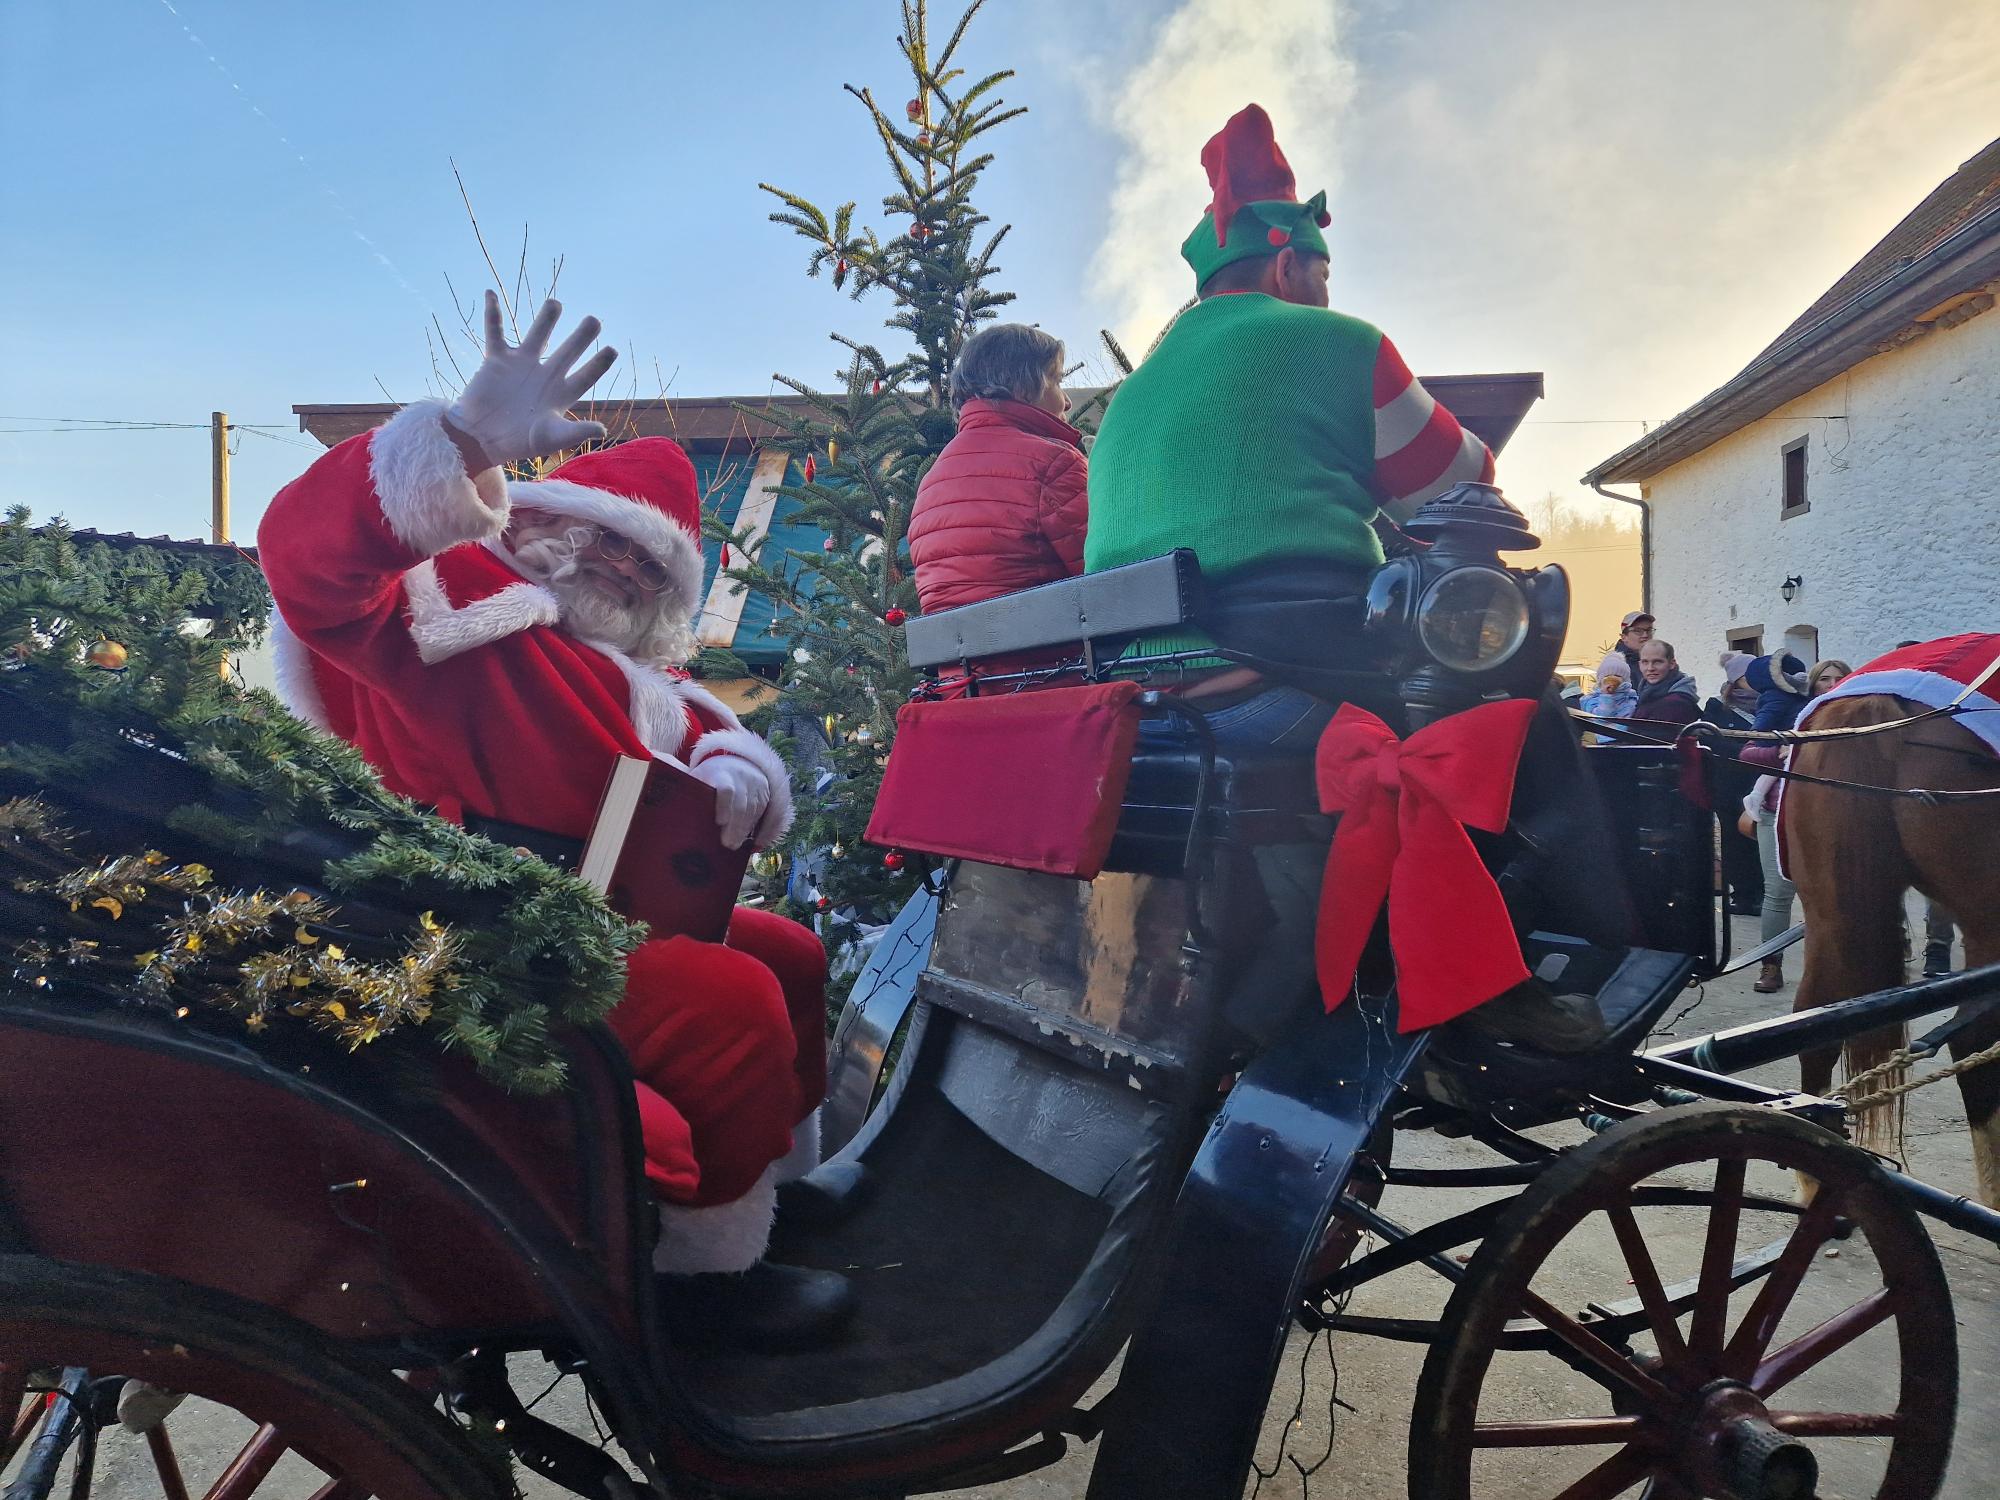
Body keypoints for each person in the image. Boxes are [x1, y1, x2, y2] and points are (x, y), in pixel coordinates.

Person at [259, 295, 850, 1349]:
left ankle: (759, 1186)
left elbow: (683, 728)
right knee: (729, 998)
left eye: (649, 569)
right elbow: (315, 573)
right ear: (535, 523)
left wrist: (727, 755)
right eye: (609, 543)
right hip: (483, 936)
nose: (623, 572)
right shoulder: (458, 605)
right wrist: (458, 442)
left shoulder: (616, 672)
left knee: (790, 952)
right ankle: (704, 1281)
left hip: (592, 917)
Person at [908, 322, 1088, 613]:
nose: (1066, 402)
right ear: (1022, 386)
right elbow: (1108, 575)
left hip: (960, 658)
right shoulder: (1053, 463)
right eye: (1056, 380)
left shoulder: (930, 484)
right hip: (1057, 656)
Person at [1626, 639, 1700, 725]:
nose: (1650, 668)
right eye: (1645, 662)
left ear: (1672, 664)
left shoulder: (1676, 702)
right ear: (1639, 664)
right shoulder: (1644, 691)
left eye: (1657, 662)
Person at [1581, 653, 1636, 719]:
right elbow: (1602, 718)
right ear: (1600, 681)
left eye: (1617, 676)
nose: (1612, 678)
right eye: (1607, 676)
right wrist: (1606, 696)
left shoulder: (1630, 697)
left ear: (1625, 680)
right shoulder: (1592, 700)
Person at [1613, 611, 1655, 682]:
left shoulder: (1658, 659)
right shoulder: (1616, 666)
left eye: (1649, 630)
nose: (1645, 635)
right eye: (1638, 631)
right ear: (1624, 637)